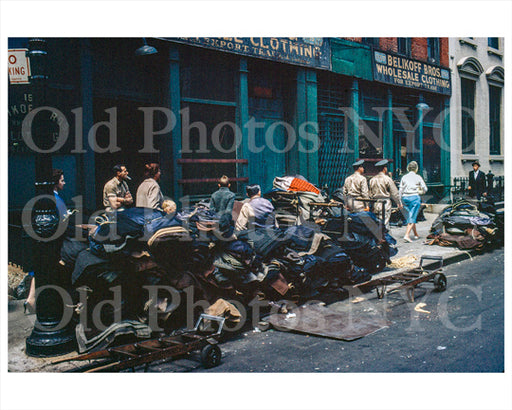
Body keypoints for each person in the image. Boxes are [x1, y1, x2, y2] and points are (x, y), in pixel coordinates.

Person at [25, 169, 69, 314]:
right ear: (55, 183)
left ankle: (31, 300)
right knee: (47, 267)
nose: (64, 183)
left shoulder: (42, 198)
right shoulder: (55, 199)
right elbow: (63, 220)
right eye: (62, 180)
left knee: (40, 267)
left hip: (43, 239)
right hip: (54, 241)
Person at [399, 161, 428, 243]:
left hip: (404, 198)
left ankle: (416, 234)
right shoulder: (418, 177)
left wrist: (399, 200)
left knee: (410, 215)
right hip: (414, 197)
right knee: (412, 216)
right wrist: (420, 192)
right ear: (416, 169)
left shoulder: (404, 177)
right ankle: (407, 235)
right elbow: (425, 188)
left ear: (408, 168)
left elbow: (400, 190)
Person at [369, 159, 402, 228]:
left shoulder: (372, 180)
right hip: (385, 202)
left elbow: (370, 194)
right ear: (384, 169)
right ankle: (384, 237)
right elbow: (394, 193)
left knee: (377, 223)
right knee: (385, 223)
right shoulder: (387, 179)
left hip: (375, 203)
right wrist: (398, 202)